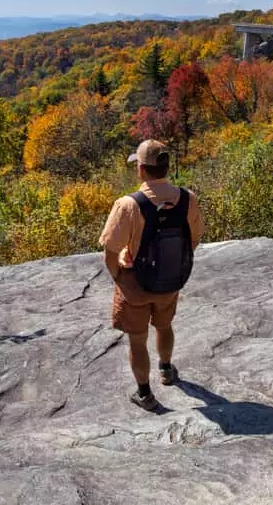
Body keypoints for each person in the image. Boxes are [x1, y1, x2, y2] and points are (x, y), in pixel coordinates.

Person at [98, 140, 205, 410]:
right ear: (166, 167)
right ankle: (167, 370)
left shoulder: (128, 205)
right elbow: (194, 238)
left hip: (136, 284)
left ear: (142, 170)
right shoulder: (187, 198)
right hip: (170, 280)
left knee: (137, 338)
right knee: (165, 326)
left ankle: (145, 394)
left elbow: (110, 252)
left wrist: (119, 276)